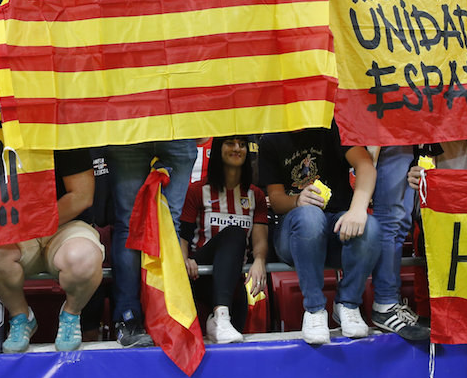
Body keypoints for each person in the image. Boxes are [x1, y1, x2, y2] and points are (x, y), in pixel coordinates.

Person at [0, 148, 103, 353]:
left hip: (66, 224)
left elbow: (81, 197)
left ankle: (71, 314)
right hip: (15, 228)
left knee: (85, 258)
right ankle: (21, 317)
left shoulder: (61, 132)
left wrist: (31, 227)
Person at [259, 123, 381, 345]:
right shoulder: (270, 138)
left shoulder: (331, 126)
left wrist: (358, 209)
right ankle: (314, 310)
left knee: (371, 226)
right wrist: (296, 201)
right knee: (309, 216)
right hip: (294, 232)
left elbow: (366, 165)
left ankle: (348, 304)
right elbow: (275, 200)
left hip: (336, 228)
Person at [107, 139, 197, 346]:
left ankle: (129, 319)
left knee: (130, 225)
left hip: (128, 127)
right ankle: (167, 318)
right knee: (167, 223)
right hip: (174, 128)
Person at [180, 136, 268, 344]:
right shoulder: (197, 191)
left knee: (234, 349)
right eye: (230, 143)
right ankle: (220, 316)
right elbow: (183, 235)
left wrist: (259, 261)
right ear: (218, 149)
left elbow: (260, 239)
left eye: (242, 144)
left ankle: (221, 317)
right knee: (235, 233)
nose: (237, 148)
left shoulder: (255, 195)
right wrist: (184, 259)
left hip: (234, 283)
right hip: (199, 277)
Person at [369, 146, 430, 341]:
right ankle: (385, 303)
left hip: (411, 137)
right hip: (391, 133)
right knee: (390, 220)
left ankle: (391, 304)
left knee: (401, 222)